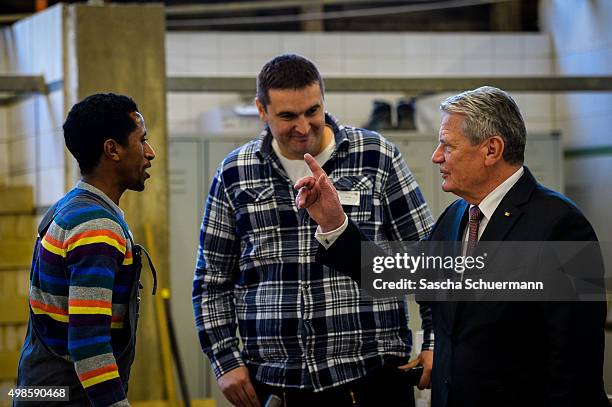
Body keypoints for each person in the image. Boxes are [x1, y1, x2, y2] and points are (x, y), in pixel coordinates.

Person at [295, 86, 609, 407]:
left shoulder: (561, 226)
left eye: (448, 145)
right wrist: (334, 222)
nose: (436, 156)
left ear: (491, 150)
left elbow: (575, 365)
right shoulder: (455, 218)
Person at [192, 54, 435, 407]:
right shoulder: (235, 173)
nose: (303, 127)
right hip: (276, 382)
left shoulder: (375, 157)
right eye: (288, 116)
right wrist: (225, 359)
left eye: (312, 112)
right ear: (262, 110)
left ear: (324, 100)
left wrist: (432, 341)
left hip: (371, 375)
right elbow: (212, 279)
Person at [15, 93, 156, 407]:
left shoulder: (66, 208)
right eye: (141, 140)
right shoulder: (96, 227)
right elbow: (89, 345)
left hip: (37, 388)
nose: (150, 153)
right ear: (112, 149)